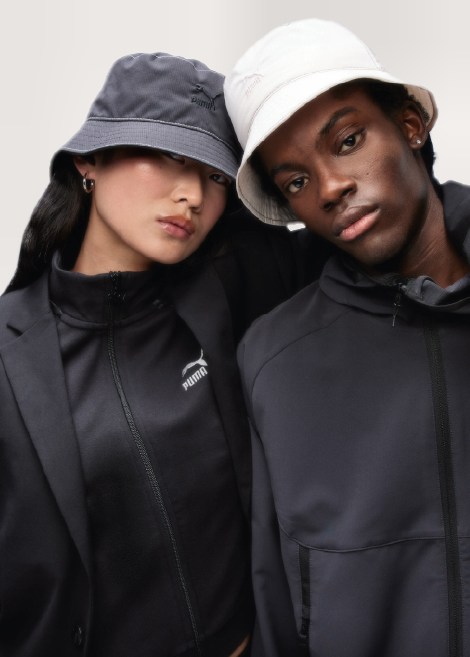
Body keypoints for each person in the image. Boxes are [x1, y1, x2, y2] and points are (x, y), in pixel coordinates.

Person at [0, 52, 313, 657]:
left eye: (217, 177)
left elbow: (380, 236)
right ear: (89, 160)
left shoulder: (236, 282)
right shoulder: (11, 358)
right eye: (170, 156)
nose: (192, 195)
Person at [223, 18, 470, 657]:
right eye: (295, 181)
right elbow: (276, 607)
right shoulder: (275, 361)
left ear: (410, 126)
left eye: (348, 140)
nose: (330, 188)